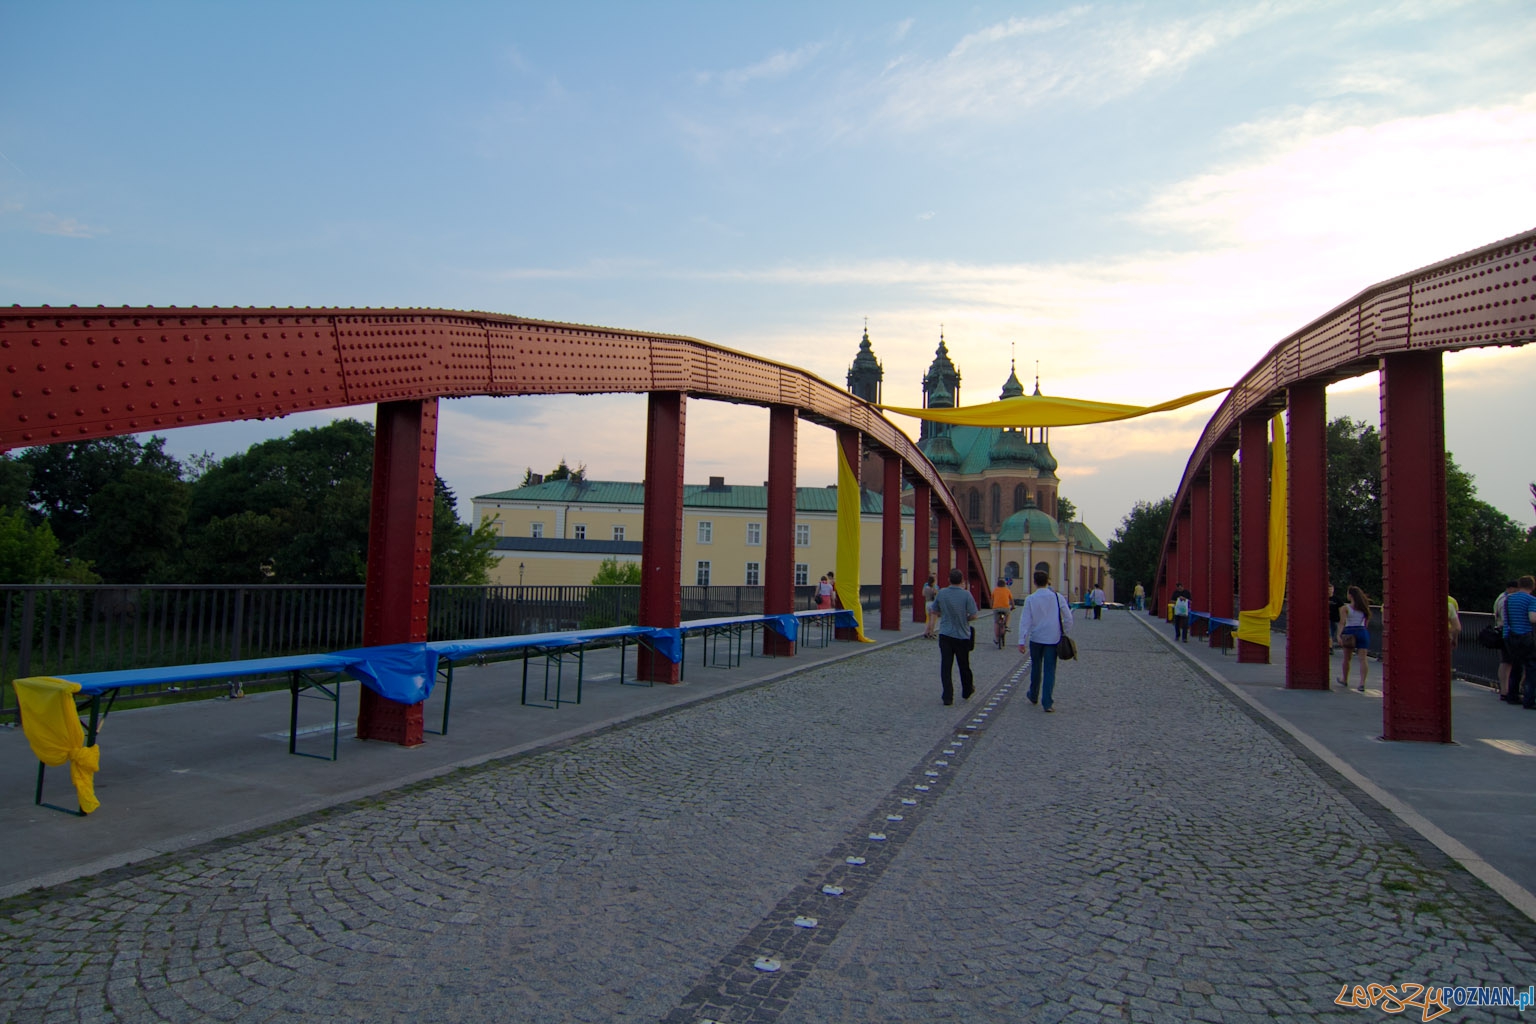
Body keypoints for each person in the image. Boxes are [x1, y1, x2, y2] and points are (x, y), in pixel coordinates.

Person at [1016, 568, 1073, 712]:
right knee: (1049, 670)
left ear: (1034, 582)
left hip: (1036, 638)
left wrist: (1021, 640)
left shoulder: (1030, 599)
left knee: (1036, 667)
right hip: (1053, 638)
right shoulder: (1057, 597)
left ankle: (1033, 694)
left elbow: (1025, 621)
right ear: (1048, 581)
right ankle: (1047, 702)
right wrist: (1064, 631)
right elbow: (1068, 617)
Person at [934, 568, 979, 705]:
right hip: (962, 635)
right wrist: (965, 618)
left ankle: (947, 696)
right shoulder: (966, 595)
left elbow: (935, 610)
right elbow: (974, 615)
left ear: (949, 580)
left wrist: (944, 614)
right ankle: (967, 690)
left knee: (946, 666)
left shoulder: (942, 593)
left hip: (945, 634)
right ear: (962, 581)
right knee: (964, 665)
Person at [1504, 576, 1536, 709]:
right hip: (1526, 636)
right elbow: (1532, 618)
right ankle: (1529, 699)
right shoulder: (1531, 600)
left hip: (1511, 636)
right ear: (1532, 586)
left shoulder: (1509, 599)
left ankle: (1512, 696)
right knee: (1531, 668)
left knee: (1515, 667)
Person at [1338, 585, 1372, 691]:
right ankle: (1362, 683)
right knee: (1363, 659)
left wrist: (1339, 635)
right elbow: (1366, 623)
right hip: (1362, 631)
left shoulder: (1345, 608)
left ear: (1350, 595)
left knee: (1347, 658)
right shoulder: (1364, 607)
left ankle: (1344, 679)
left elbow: (1342, 622)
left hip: (1350, 631)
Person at [1494, 581, 1522, 702]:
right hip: (1507, 632)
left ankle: (1504, 690)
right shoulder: (1505, 600)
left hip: (1502, 631)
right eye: (1516, 590)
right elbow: (1506, 618)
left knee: (1506, 661)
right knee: (1508, 662)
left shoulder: (1500, 598)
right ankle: (1507, 690)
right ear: (1511, 588)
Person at [991, 578, 1014, 648]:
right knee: (1008, 614)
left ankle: (997, 639)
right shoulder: (1007, 590)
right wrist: (1013, 606)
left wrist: (992, 606)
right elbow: (1011, 600)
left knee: (996, 622)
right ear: (1004, 585)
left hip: (996, 608)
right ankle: (1006, 626)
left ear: (997, 585)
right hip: (1005, 608)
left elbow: (992, 599)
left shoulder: (995, 590)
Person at [1328, 585, 1346, 654]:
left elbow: (1342, 609)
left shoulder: (1337, 599)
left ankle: (1345, 645)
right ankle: (1330, 647)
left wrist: (1342, 619)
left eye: (1330, 589)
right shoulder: (1323, 597)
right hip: (1328, 619)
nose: (1329, 591)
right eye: (1328, 589)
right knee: (1329, 633)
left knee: (1337, 633)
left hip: (1336, 619)